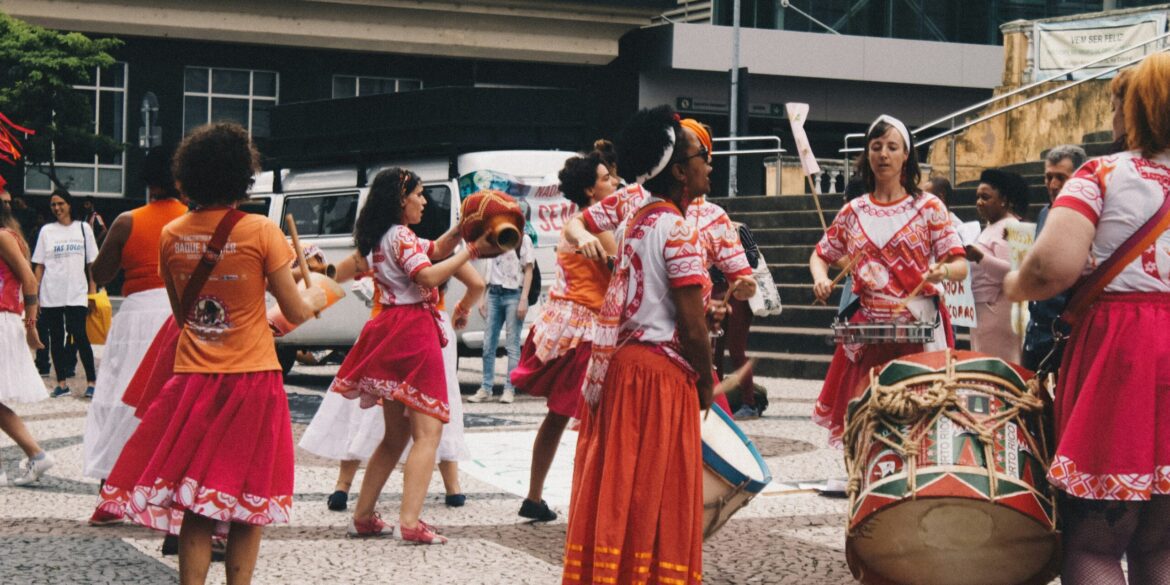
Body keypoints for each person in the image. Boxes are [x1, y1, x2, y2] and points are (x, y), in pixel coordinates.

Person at [95, 123, 324, 584]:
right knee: (248, 502)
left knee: (196, 500)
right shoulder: (261, 231)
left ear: (189, 175)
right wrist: (317, 293)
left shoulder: (172, 234)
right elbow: (295, 311)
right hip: (253, 380)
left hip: (192, 380)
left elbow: (182, 317)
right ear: (243, 174)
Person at [1003, 52, 1170, 585]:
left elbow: (1050, 268)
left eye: (1118, 105)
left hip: (1121, 354)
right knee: (1160, 543)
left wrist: (1013, 284)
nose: (1114, 116)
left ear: (1137, 109)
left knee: (1095, 545)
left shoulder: (1100, 174)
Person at [562, 106, 713, 585]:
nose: (708, 164)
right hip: (658, 378)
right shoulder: (679, 230)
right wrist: (706, 382)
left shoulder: (635, 221)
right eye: (701, 156)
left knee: (622, 482)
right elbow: (692, 328)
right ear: (679, 171)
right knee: (657, 489)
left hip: (623, 368)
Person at [330, 167, 500, 544]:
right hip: (413, 333)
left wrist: (462, 229)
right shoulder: (402, 236)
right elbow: (426, 276)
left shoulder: (383, 237)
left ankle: (363, 516)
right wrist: (472, 250)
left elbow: (435, 250)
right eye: (419, 194)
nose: (424, 201)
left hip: (388, 329)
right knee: (429, 432)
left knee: (395, 435)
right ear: (400, 199)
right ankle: (409, 522)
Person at [809, 115, 967, 447]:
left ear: (906, 155)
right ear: (867, 153)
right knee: (865, 420)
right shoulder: (853, 211)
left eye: (892, 147)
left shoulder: (928, 208)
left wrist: (942, 272)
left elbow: (960, 264)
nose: (883, 154)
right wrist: (821, 278)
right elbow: (821, 254)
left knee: (917, 420)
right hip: (868, 329)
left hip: (918, 326)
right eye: (876, 146)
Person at [299, 263, 482, 512]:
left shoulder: (384, 246)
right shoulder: (438, 251)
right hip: (432, 328)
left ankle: (343, 485)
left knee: (364, 408)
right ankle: (453, 487)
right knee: (438, 404)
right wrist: (462, 308)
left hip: (384, 322)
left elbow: (339, 273)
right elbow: (477, 284)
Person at [509, 151, 617, 523]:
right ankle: (589, 506)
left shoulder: (577, 221)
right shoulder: (596, 225)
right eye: (606, 178)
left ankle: (534, 496)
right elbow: (622, 273)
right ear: (590, 190)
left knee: (558, 416)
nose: (613, 183)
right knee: (594, 420)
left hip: (562, 326)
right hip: (586, 330)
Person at [83, 147, 188, 523]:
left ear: (147, 181)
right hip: (179, 313)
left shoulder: (127, 221)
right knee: (172, 402)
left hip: (137, 314)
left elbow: (101, 273)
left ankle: (110, 493)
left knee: (119, 397)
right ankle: (170, 494)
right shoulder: (191, 220)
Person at [0, 184, 55, 487]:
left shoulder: (3, 237)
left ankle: (36, 453)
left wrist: (31, 324)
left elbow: (30, 280)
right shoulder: (8, 236)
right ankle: (36, 454)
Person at [1021, 145, 1086, 371]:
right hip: (1036, 332)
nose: (1053, 185)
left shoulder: (1089, 220)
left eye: (1061, 177)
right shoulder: (1044, 213)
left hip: (1067, 334)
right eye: (1049, 177)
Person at [32, 189, 98, 398]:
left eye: (60, 203)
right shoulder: (47, 231)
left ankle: (92, 382)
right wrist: (35, 294)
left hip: (77, 292)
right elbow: (39, 265)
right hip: (51, 292)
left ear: (69, 204)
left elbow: (92, 264)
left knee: (79, 335)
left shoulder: (83, 228)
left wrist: (92, 291)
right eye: (53, 205)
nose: (57, 208)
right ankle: (61, 384)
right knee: (56, 337)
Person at [468, 219, 534, 404]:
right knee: (488, 344)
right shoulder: (494, 237)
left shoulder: (523, 238)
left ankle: (509, 389)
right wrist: (483, 297)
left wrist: (524, 299)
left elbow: (529, 270)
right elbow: (488, 267)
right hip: (494, 293)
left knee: (512, 345)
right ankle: (486, 388)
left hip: (514, 294)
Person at [966, 168, 1028, 363]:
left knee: (998, 369)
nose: (979, 202)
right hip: (982, 312)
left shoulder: (1014, 227)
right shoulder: (990, 227)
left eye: (985, 197)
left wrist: (980, 257)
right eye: (977, 197)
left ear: (1003, 200)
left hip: (1000, 313)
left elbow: (1016, 273)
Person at [712, 220, 761, 419]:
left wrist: (732, 258)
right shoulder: (703, 231)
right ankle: (717, 401)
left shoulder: (739, 228)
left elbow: (754, 258)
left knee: (736, 349)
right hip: (715, 289)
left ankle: (750, 403)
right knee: (715, 349)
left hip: (739, 290)